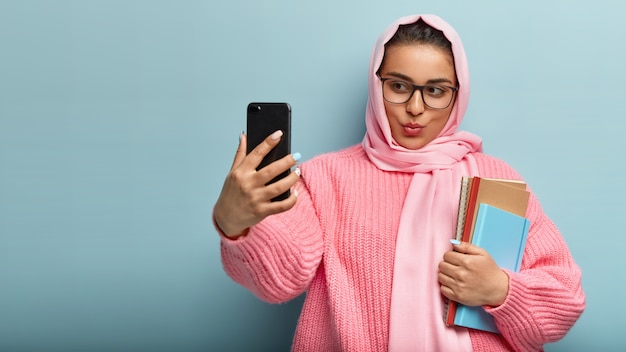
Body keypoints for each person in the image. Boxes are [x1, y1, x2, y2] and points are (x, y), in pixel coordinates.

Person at [212, 14, 585, 351]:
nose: (416, 108)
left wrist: (500, 290)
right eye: (399, 86)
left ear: (458, 95)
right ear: (377, 86)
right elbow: (279, 280)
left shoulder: (497, 179)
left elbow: (565, 300)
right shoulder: (326, 177)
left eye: (436, 91)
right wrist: (236, 224)